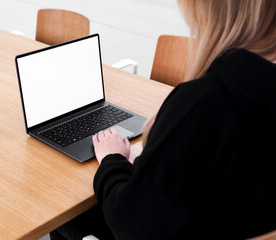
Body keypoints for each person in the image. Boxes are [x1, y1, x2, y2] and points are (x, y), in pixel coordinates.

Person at [50, 0, 276, 239]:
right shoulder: (256, 89)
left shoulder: (204, 104)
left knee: (59, 210)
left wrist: (112, 159)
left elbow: (131, 223)